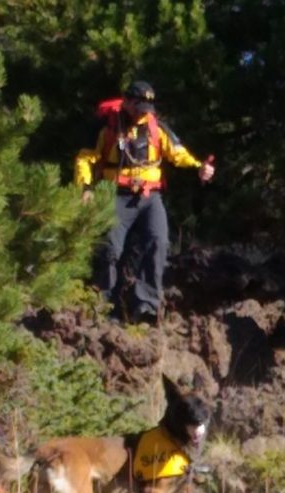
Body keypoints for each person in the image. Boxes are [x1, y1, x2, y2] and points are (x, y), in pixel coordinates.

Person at [74, 80, 214, 324]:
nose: (142, 112)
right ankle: (104, 308)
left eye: (146, 108)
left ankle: (146, 307)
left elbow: (177, 153)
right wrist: (86, 188)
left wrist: (199, 167)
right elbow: (85, 158)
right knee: (110, 250)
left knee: (158, 243)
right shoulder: (106, 126)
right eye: (137, 106)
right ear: (126, 101)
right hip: (116, 194)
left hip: (150, 197)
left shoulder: (156, 127)